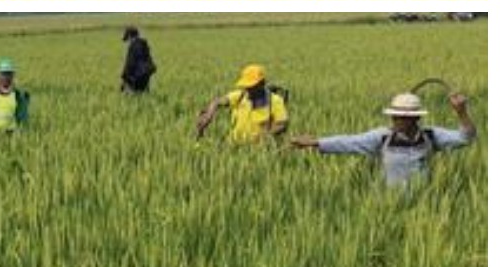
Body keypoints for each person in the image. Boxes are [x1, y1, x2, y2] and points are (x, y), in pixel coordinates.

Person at [291, 92, 476, 188]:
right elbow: (349, 142)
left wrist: (462, 113)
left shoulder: (431, 136)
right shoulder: (382, 137)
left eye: (402, 117)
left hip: (424, 204)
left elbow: (466, 138)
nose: (396, 120)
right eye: (395, 116)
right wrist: (315, 142)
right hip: (389, 205)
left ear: (415, 118)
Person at [195, 64, 288, 144]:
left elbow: (282, 125)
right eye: (247, 86)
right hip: (233, 144)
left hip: (259, 149)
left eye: (252, 87)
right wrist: (209, 114)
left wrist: (264, 136)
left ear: (261, 84)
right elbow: (217, 102)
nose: (248, 90)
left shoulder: (275, 101)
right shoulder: (240, 96)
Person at [120, 26, 156, 94]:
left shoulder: (133, 46)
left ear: (130, 36)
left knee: (132, 94)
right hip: (146, 74)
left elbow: (130, 64)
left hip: (137, 76)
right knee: (144, 94)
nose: (128, 42)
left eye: (127, 39)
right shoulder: (144, 45)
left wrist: (124, 78)